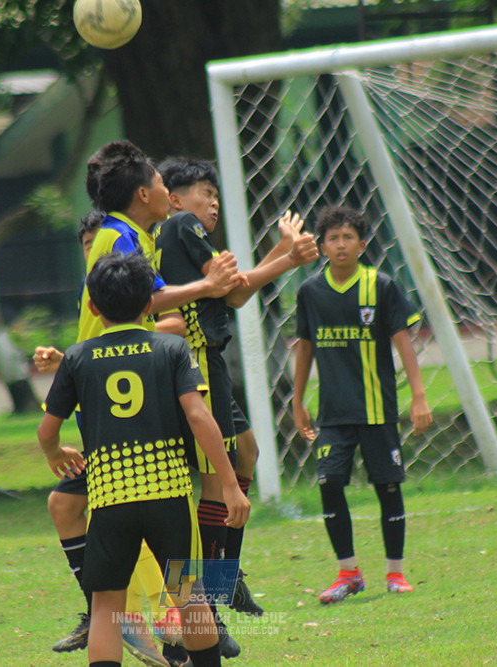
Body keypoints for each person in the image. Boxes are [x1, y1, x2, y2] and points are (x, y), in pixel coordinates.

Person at [37, 141, 245, 660]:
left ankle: (121, 614)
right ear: (142, 192)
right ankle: (167, 623)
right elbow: (146, 304)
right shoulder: (119, 239)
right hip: (129, 426)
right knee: (182, 566)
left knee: (72, 510)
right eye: (158, 180)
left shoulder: (131, 237)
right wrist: (204, 285)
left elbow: (134, 306)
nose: (166, 189)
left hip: (99, 402)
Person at [154, 157, 319, 637]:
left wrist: (282, 251)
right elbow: (236, 289)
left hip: (209, 362)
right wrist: (288, 257)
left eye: (216, 193)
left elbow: (235, 295)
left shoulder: (183, 238)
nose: (212, 201)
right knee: (211, 481)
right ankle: (201, 603)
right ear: (175, 197)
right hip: (196, 360)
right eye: (204, 191)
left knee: (245, 452)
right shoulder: (182, 224)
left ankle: (223, 581)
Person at [290, 205, 433, 605]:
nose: (340, 245)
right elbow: (304, 347)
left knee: (388, 487)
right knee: (329, 482)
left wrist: (418, 396)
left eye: (348, 237)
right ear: (321, 246)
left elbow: (403, 340)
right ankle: (348, 572)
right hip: (332, 414)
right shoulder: (310, 292)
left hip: (376, 409)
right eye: (333, 238)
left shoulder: (381, 285)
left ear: (362, 244)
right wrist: (298, 400)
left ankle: (395, 572)